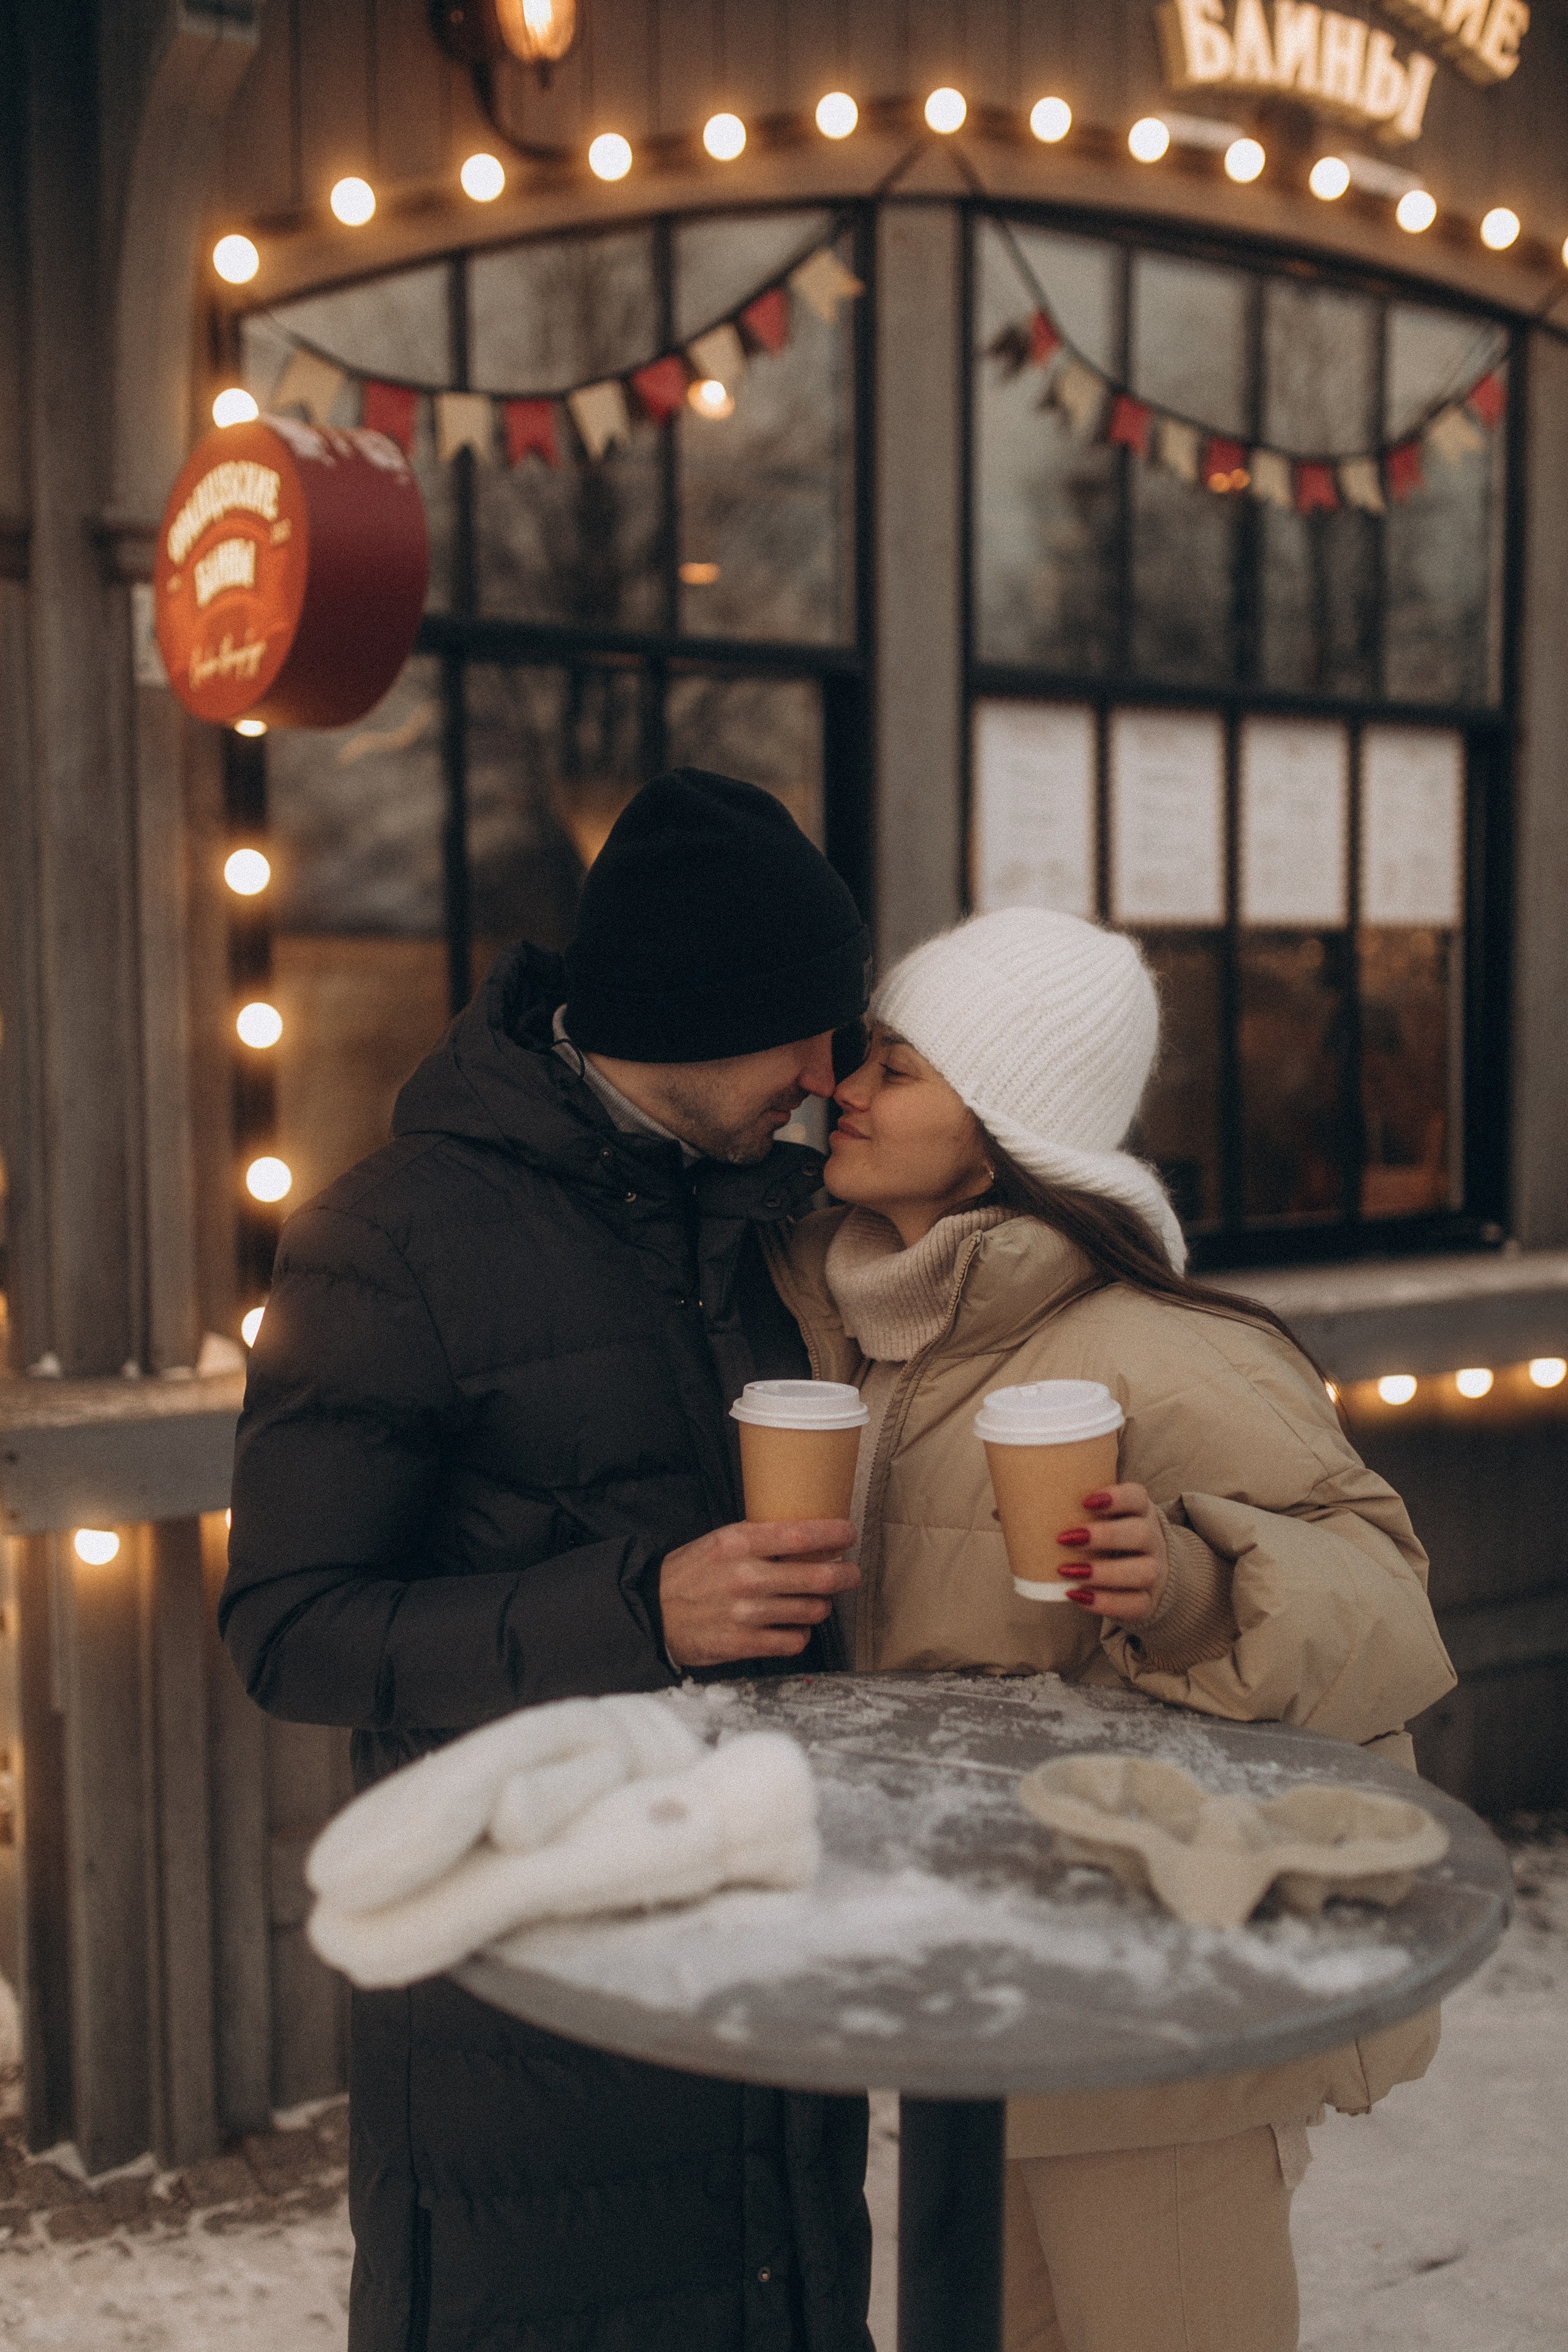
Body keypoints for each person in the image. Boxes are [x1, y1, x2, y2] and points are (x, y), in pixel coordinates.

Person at [221, 770, 876, 2352]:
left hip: (772, 2018)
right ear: (685, 1013)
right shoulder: (389, 1241)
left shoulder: (777, 1225)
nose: (825, 1073)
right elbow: (287, 1628)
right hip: (525, 2056)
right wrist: (641, 1609)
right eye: (802, 1028)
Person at [763, 906, 1458, 2352]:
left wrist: (1199, 1584)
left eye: (896, 1067)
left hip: (1161, 2011)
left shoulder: (1167, 1349)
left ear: (1002, 1124)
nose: (848, 1087)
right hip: (972, 1991)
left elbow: (1387, 1600)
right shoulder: (830, 1326)